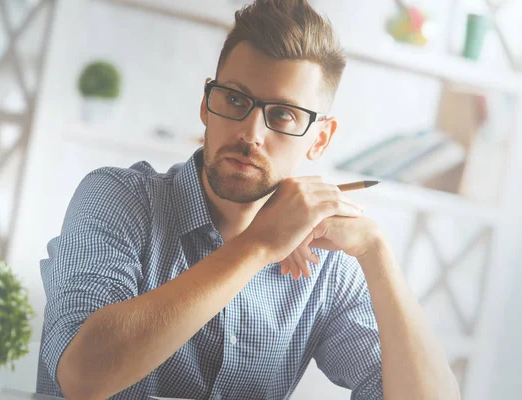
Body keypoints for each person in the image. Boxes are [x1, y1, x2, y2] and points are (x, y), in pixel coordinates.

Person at [36, 1, 460, 399]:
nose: (250, 133)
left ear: (320, 139)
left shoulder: (328, 270)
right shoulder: (119, 199)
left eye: (282, 115)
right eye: (235, 100)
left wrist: (376, 250)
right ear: (207, 103)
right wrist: (257, 246)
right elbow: (81, 377)